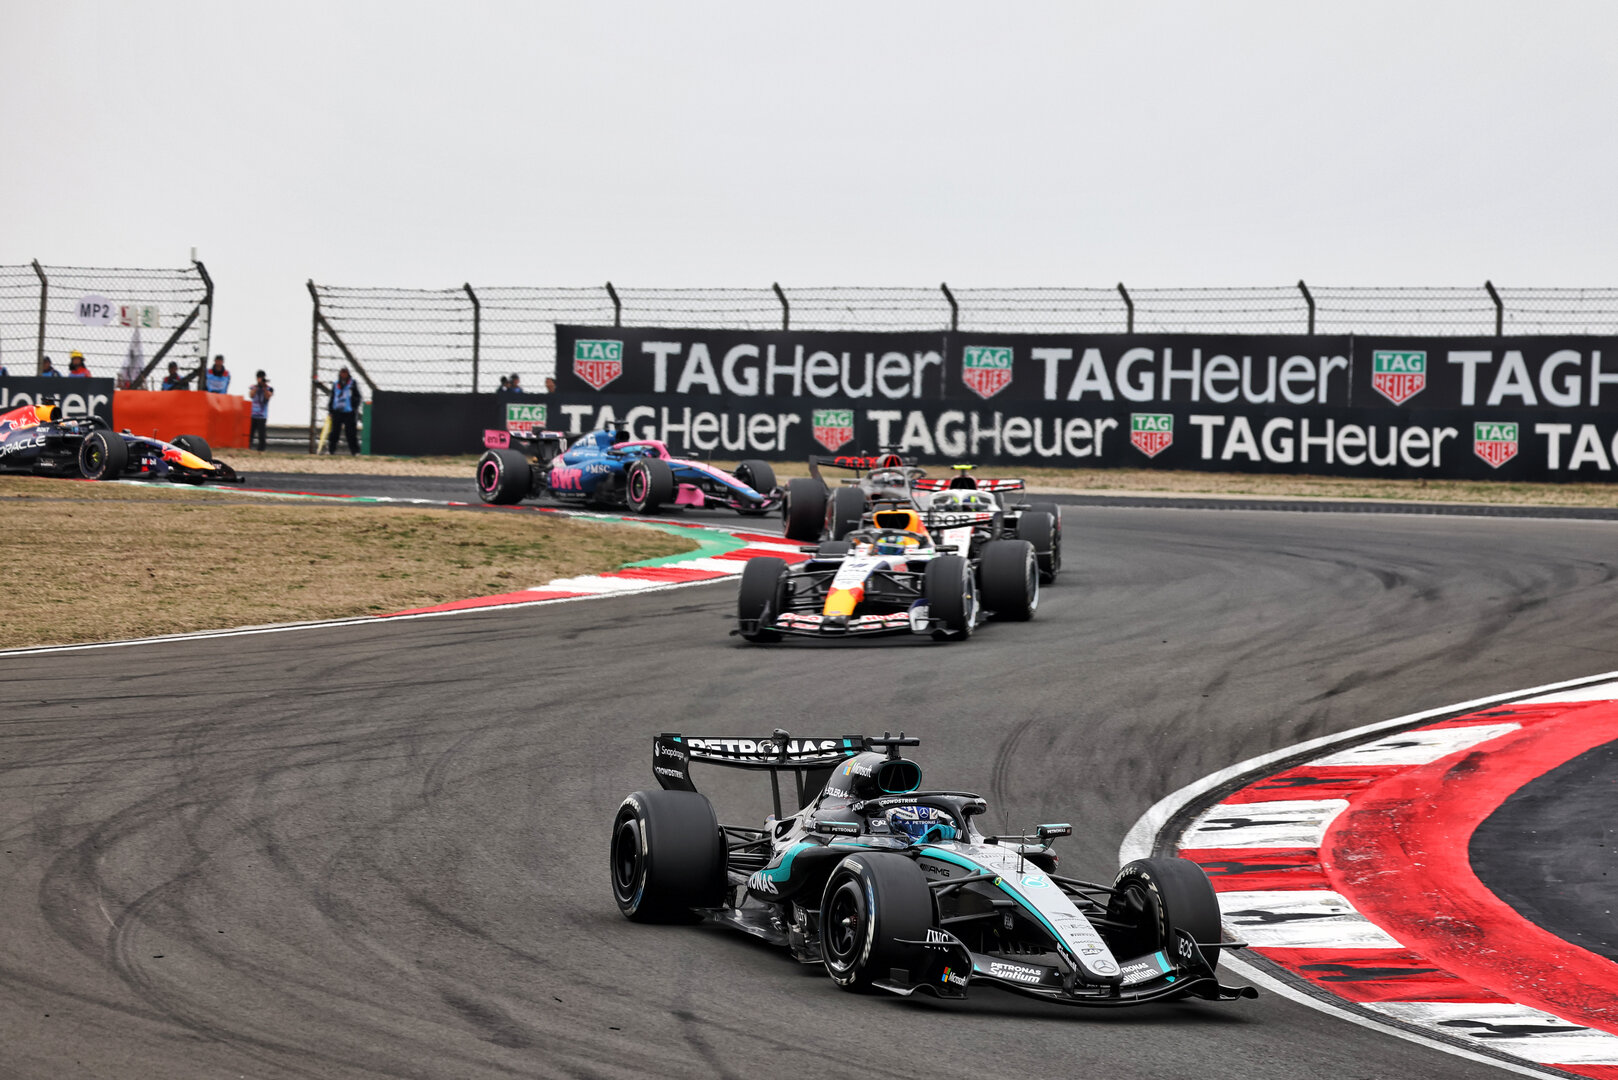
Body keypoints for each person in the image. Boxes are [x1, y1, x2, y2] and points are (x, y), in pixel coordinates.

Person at [315, 367, 363, 455]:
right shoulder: (336, 384)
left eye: (345, 373)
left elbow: (358, 397)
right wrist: (330, 410)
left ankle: (355, 452)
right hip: (337, 412)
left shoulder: (352, 384)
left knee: (351, 433)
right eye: (342, 373)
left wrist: (354, 406)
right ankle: (331, 450)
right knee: (334, 433)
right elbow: (332, 397)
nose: (343, 375)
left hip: (349, 412)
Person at [248, 370, 274, 451]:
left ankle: (261, 450)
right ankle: (248, 448)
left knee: (261, 435)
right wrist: (257, 387)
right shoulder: (253, 387)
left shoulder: (269, 388)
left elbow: (267, 397)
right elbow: (251, 395)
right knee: (250, 434)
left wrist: (264, 387)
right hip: (253, 414)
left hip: (262, 416)